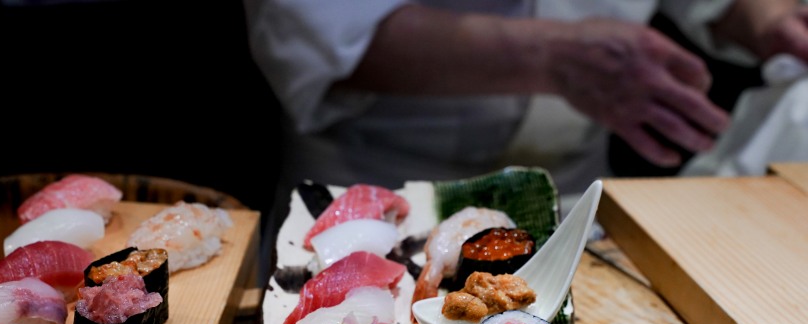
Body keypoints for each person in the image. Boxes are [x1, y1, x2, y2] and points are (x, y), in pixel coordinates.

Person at [244, 0, 808, 257]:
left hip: (579, 203)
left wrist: (772, 18)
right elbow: (311, 28)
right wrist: (554, 59)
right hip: (377, 199)